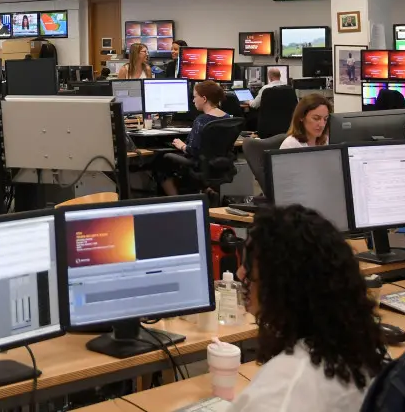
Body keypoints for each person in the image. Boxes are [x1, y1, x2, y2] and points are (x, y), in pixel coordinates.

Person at [226, 205, 385, 411]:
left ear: (283, 286)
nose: (240, 273)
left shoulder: (282, 392)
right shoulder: (363, 350)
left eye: (250, 267)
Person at [163, 81, 230, 195]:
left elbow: (193, 149)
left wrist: (182, 145)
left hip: (200, 163)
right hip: (218, 164)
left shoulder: (201, 120)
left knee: (161, 162)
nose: (193, 100)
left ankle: (177, 202)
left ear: (204, 99)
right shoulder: (227, 117)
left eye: (195, 97)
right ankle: (206, 190)